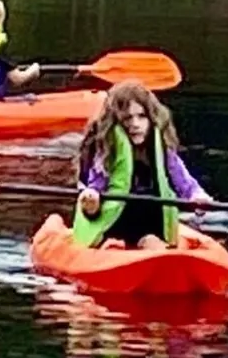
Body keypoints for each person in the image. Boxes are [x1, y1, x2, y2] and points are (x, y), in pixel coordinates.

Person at [74, 81, 212, 249]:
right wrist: (92, 196)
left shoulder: (161, 149)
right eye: (127, 118)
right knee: (96, 210)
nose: (135, 124)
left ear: (151, 117)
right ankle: (112, 244)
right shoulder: (107, 150)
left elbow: (184, 182)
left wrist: (197, 196)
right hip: (116, 224)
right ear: (115, 122)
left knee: (151, 241)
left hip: (150, 225)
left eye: (141, 116)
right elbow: (97, 182)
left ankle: (149, 248)